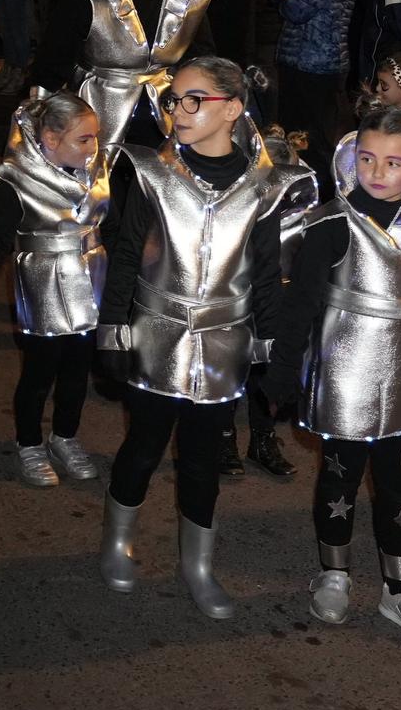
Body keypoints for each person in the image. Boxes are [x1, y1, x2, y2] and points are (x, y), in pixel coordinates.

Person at [95, 57, 317, 620]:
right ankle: (116, 542)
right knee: (143, 445)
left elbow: (265, 274)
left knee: (201, 458)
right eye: (174, 100)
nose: (179, 110)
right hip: (155, 335)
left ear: (233, 109)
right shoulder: (151, 172)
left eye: (195, 100)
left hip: (223, 345)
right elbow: (127, 255)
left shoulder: (263, 187)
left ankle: (198, 566)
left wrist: (272, 352)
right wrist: (112, 331)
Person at [264, 108, 401, 647]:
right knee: (339, 476)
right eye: (367, 159)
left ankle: (400, 589)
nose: (378, 173)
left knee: (400, 481)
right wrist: (284, 371)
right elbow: (302, 303)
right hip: (345, 371)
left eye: (394, 163)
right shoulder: (333, 222)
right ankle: (333, 573)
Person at [0, 92, 108, 486]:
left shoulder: (96, 169)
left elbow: (111, 225)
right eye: (83, 139)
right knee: (39, 370)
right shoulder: (17, 180)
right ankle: (29, 443)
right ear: (49, 139)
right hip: (43, 283)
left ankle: (65, 436)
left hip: (90, 279)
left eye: (95, 137)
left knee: (77, 368)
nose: (93, 147)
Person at [32, 0, 227, 146]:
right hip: (96, 112)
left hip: (165, 115)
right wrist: (40, 110)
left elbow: (201, 57)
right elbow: (54, 58)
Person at [277, 0, 369, 186]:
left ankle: (322, 200)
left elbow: (298, 8)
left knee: (313, 144)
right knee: (310, 141)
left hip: (314, 63)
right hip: (314, 61)